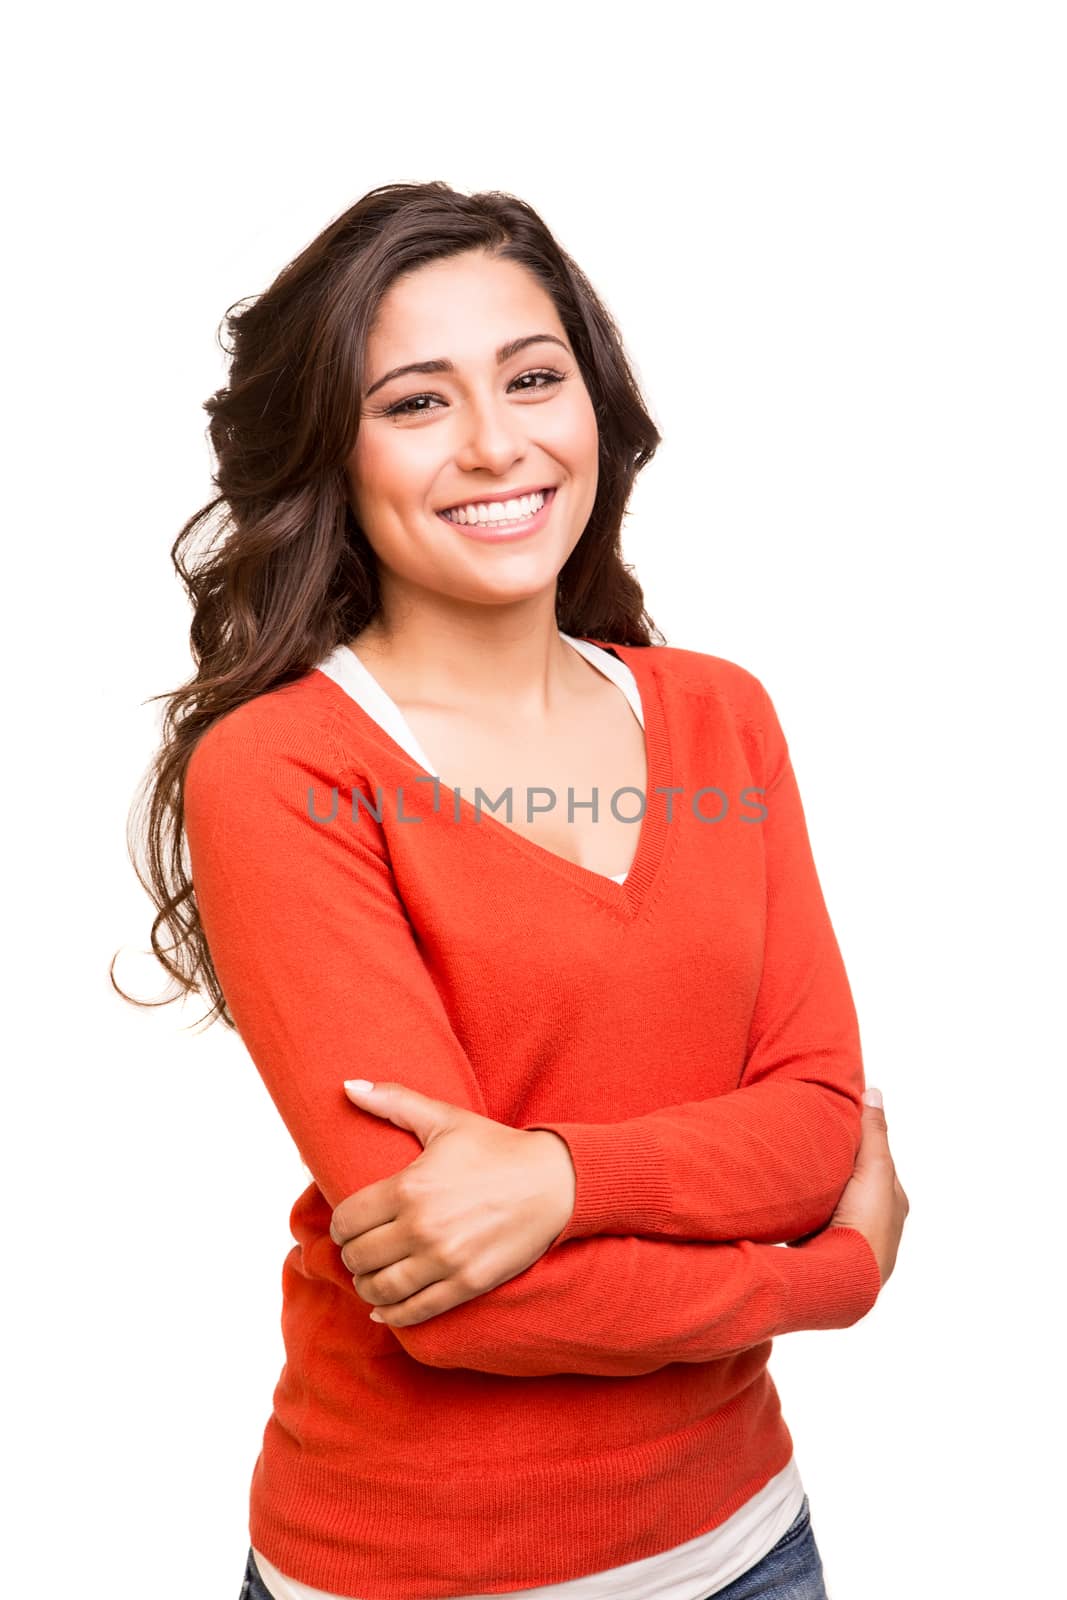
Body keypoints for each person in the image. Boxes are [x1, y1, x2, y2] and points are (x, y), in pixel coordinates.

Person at [117, 180, 909, 1600]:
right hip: (412, 1570)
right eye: (415, 403)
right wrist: (829, 1281)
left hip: (747, 1542)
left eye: (534, 379)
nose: (497, 444)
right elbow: (459, 1302)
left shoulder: (722, 720)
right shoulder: (287, 770)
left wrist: (555, 1177)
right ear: (331, 453)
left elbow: (809, 1134)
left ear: (593, 403)